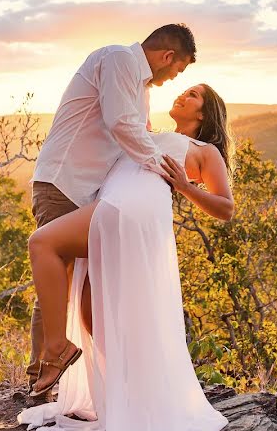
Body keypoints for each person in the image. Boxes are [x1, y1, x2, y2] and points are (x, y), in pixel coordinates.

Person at [18, 84, 234, 431]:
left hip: (131, 212)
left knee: (43, 243)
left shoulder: (205, 151)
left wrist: (184, 186)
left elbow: (225, 208)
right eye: (184, 90)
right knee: (91, 312)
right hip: (110, 204)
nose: (183, 95)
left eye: (194, 95)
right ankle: (129, 399)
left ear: (205, 113)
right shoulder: (148, 134)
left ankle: (56, 349)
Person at [26, 24, 196, 395]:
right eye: (177, 70)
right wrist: (161, 167)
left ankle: (110, 374)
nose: (172, 79)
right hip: (65, 181)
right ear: (168, 57)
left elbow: (137, 131)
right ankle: (43, 376)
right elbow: (122, 125)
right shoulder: (119, 59)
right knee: (59, 272)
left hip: (89, 190)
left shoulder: (138, 88)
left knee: (84, 281)